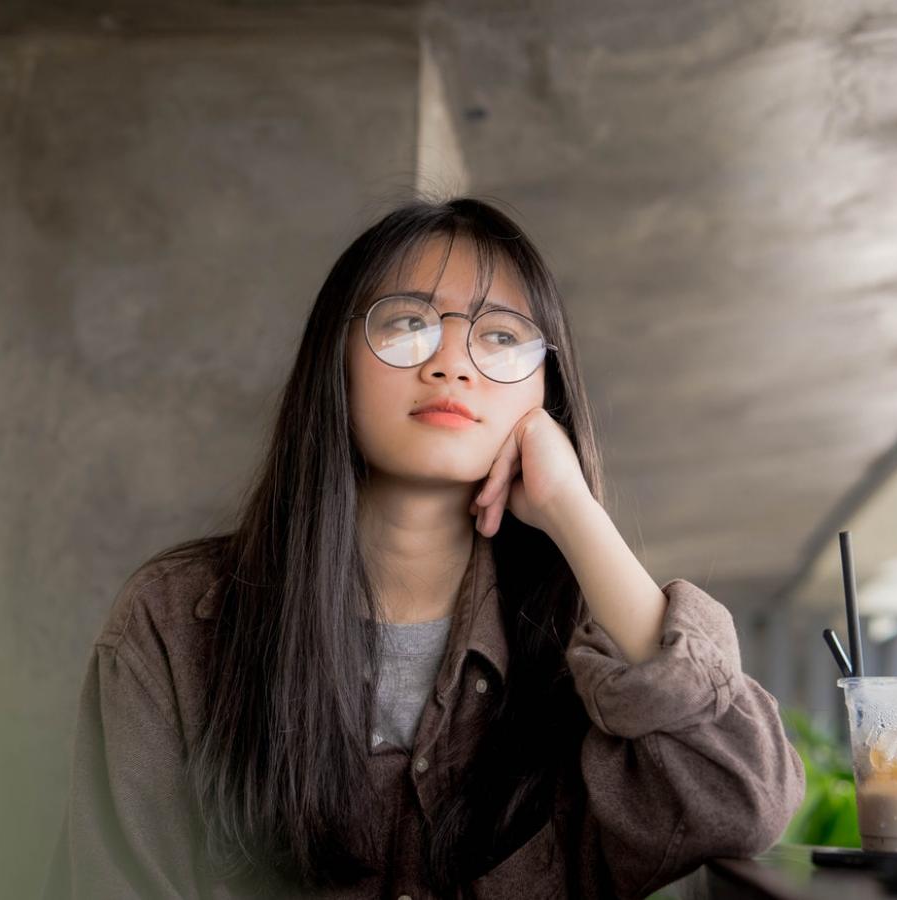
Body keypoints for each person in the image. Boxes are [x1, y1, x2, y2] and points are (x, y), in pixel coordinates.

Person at [41, 196, 805, 899]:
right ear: (332, 363)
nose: (451, 363)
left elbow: (744, 806)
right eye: (407, 324)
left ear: (547, 393)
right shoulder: (175, 621)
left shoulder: (586, 632)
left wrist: (574, 512)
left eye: (501, 337)